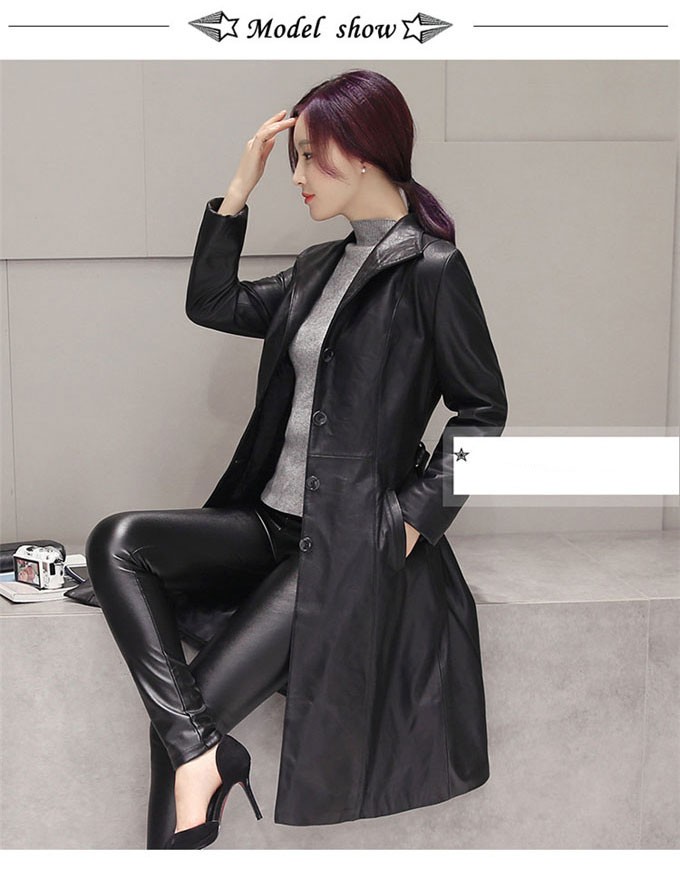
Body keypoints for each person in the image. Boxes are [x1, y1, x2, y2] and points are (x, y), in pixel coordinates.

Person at [85, 68, 507, 850]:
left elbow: (484, 413)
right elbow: (211, 303)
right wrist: (236, 190)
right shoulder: (317, 268)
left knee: (183, 725)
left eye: (310, 156)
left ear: (364, 152)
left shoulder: (433, 270)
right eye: (294, 158)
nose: (298, 175)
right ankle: (202, 758)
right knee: (118, 541)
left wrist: (409, 524)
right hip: (271, 523)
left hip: (348, 542)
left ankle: (180, 809)